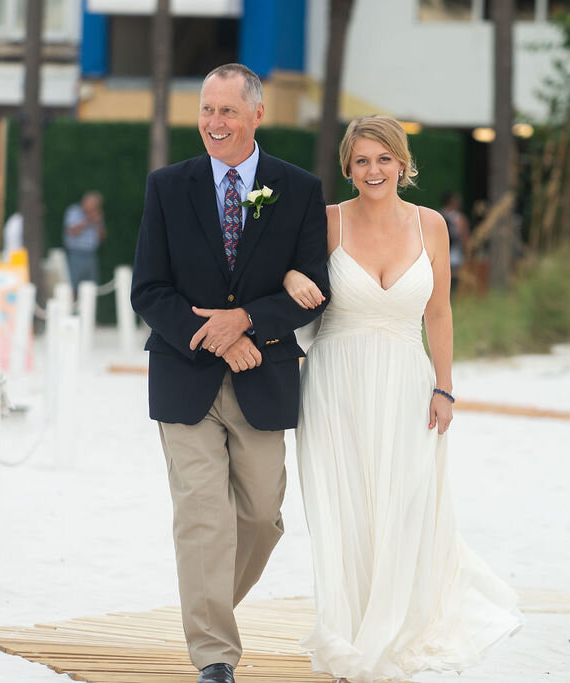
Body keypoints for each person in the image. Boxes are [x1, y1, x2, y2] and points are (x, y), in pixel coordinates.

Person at [283, 115, 522, 683]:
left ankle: (392, 635)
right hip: (335, 381)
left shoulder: (432, 226)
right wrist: (293, 275)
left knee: (404, 505)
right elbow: (284, 279)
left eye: (384, 159)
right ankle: (347, 641)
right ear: (347, 167)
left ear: (403, 164)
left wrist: (445, 386)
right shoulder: (325, 222)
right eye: (362, 160)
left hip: (408, 382)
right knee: (344, 510)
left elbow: (438, 313)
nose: (374, 171)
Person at [130, 64, 329, 683]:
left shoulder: (297, 189)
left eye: (227, 112)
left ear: (257, 115)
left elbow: (314, 288)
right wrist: (211, 335)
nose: (214, 124)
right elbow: (149, 290)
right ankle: (215, 653)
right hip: (183, 377)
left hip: (262, 379)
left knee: (261, 518)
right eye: (207, 111)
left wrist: (246, 321)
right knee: (203, 518)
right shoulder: (168, 186)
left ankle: (207, 601)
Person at [62, 190, 107, 288]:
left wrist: (98, 224)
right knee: (73, 285)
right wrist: (88, 220)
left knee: (92, 286)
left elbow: (102, 238)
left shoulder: (97, 215)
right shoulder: (74, 211)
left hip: (91, 255)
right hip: (76, 254)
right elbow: (72, 232)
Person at [438, 190, 469, 290]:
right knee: (454, 282)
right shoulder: (459, 219)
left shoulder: (437, 215)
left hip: (439, 255)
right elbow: (464, 237)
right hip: (454, 255)